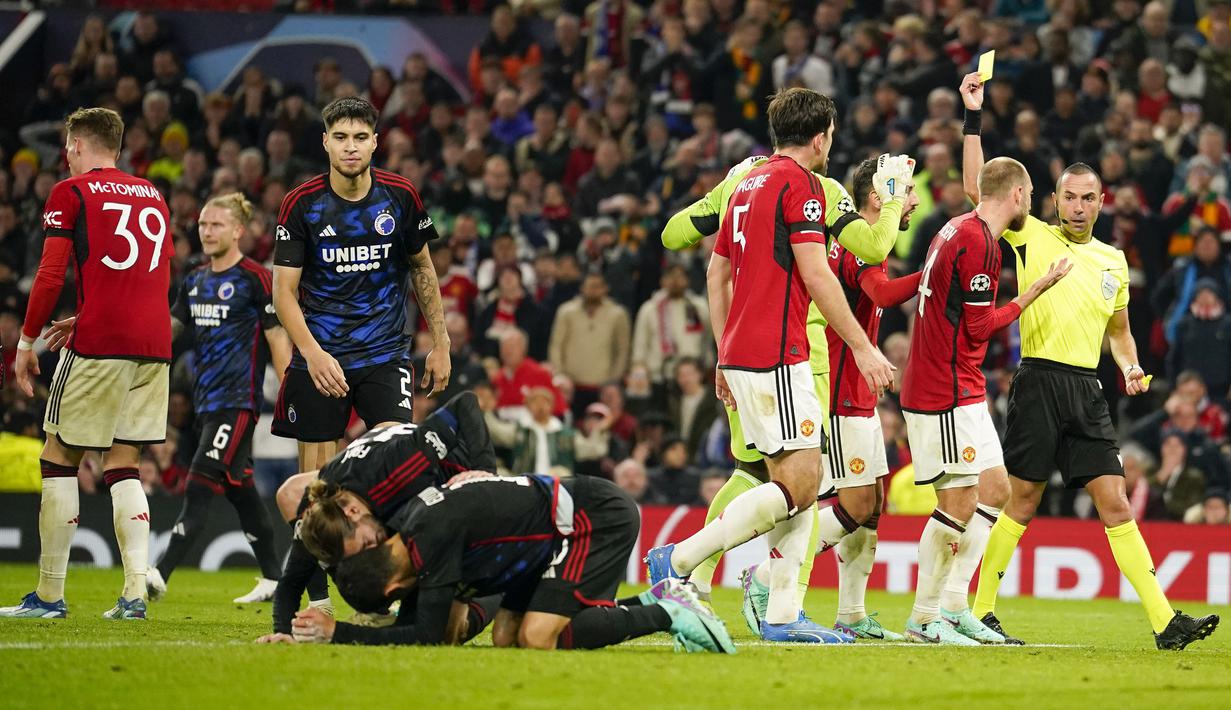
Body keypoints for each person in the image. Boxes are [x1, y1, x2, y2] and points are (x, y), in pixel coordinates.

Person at [960, 72, 1221, 650]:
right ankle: (980, 611)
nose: (1077, 207)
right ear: (1055, 201)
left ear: (1102, 202)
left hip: (1087, 388)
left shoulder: (1114, 260)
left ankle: (1164, 622)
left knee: (1115, 500)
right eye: (1068, 198)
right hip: (1038, 380)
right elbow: (976, 192)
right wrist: (973, 119)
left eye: (1087, 198)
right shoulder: (1029, 236)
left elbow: (1120, 331)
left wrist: (1128, 364)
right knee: (1023, 500)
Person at [645, 88, 895, 644]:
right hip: (781, 354)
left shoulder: (744, 182)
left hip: (742, 351)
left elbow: (715, 274)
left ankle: (783, 615)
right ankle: (679, 559)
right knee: (803, 482)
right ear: (822, 135)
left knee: (791, 478)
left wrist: (722, 349)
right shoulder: (804, 185)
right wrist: (860, 345)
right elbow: (818, 274)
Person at [1, 108, 171, 621]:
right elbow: (145, 275)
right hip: (153, 344)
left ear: (75, 144)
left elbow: (50, 275)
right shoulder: (154, 195)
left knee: (58, 457)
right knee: (123, 464)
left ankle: (49, 597)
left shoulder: (69, 193)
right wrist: (90, 311)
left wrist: (26, 344)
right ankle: (134, 595)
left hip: (101, 345)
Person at [901, 153, 1069, 646]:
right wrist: (1031, 292)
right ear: (1017, 194)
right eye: (1032, 194)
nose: (1033, 203)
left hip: (962, 387)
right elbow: (978, 326)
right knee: (956, 502)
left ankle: (954, 607)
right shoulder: (980, 245)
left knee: (997, 490)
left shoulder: (956, 227)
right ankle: (923, 617)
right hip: (944, 390)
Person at [299, 473, 734, 653]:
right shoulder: (413, 533)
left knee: (539, 636)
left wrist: (338, 633)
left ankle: (669, 611)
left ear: (392, 589)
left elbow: (429, 634)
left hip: (591, 519)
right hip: (546, 543)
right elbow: (430, 627)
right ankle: (654, 598)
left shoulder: (431, 537)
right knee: (507, 639)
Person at [271, 96, 451, 475]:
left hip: (384, 356)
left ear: (375, 141)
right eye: (340, 137)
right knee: (315, 486)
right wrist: (313, 353)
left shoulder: (400, 196)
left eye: (359, 136)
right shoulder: (301, 204)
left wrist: (441, 342)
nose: (350, 146)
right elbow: (283, 292)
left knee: (400, 467)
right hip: (321, 358)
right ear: (325, 142)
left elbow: (423, 269)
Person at [141, 193, 291, 605]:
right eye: (204, 225)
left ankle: (160, 572)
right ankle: (274, 578)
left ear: (239, 231)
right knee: (241, 489)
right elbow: (170, 330)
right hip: (204, 404)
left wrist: (289, 392)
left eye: (216, 225)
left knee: (200, 480)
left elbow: (278, 338)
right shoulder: (194, 279)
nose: (206, 232)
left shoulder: (256, 279)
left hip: (236, 402)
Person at [258, 391, 497, 642]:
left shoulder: (401, 466)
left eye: (366, 544)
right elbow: (292, 579)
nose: (370, 550)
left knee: (449, 631)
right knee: (358, 577)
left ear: (352, 511)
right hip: (410, 500)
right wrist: (282, 632)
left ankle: (498, 593)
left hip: (461, 487)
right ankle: (382, 613)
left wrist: (484, 472)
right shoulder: (322, 511)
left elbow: (465, 403)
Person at [811, 156, 920, 641]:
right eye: (905, 190)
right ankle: (769, 575)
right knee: (854, 503)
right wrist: (933, 271)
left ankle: (852, 613)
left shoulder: (857, 244)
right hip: (838, 392)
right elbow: (885, 295)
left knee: (872, 504)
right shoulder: (859, 246)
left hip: (856, 391)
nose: (912, 200)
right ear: (879, 197)